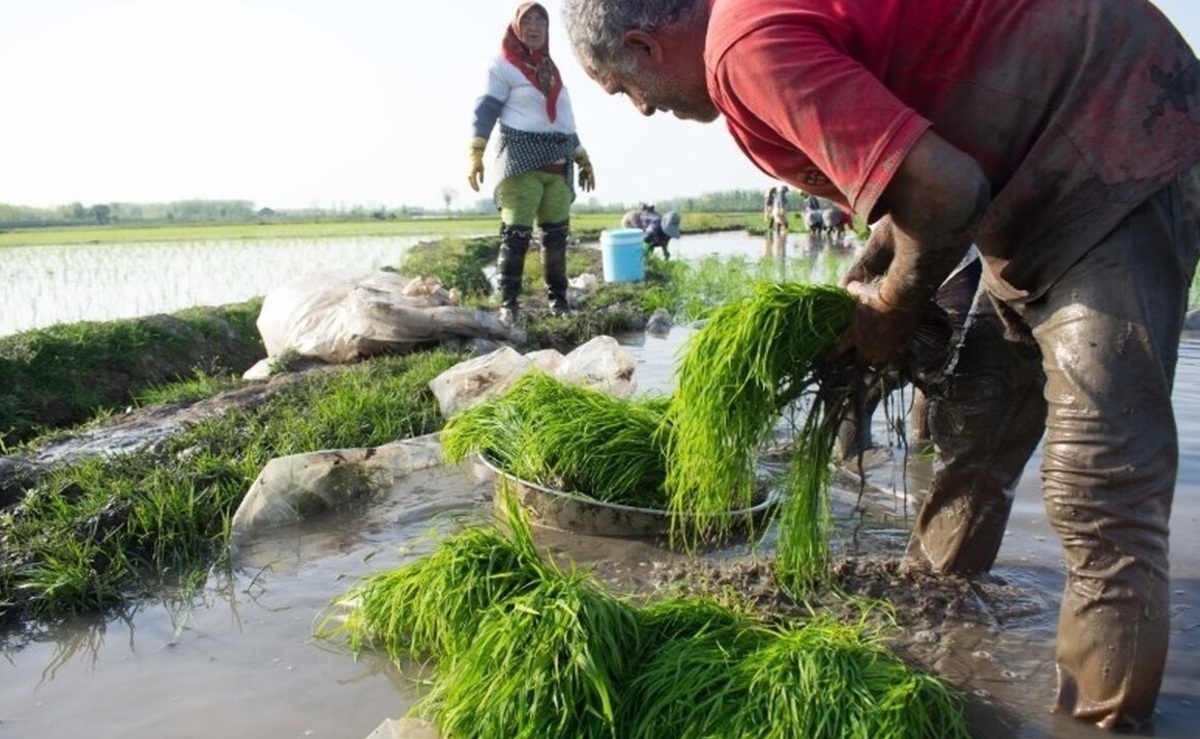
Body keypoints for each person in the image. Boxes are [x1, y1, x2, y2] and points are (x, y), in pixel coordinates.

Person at [562, 0, 1200, 730]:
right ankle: (944, 628)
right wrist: (879, 266)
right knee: (972, 434)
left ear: (643, 47)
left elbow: (949, 190)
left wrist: (893, 309)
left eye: (622, 90)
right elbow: (921, 179)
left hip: (1115, 129)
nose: (640, 109)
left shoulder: (741, 47)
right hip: (1028, 188)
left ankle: (1097, 721)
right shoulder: (760, 28)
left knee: (1101, 486)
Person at [468, 2, 596, 326]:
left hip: (557, 165)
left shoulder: (551, 70)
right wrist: (475, 151)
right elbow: (486, 109)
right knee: (517, 236)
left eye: (541, 21)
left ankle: (559, 303)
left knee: (555, 238)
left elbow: (564, 120)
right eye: (528, 21)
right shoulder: (503, 66)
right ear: (516, 27)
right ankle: (508, 306)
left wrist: (582, 157)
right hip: (521, 164)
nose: (535, 27)